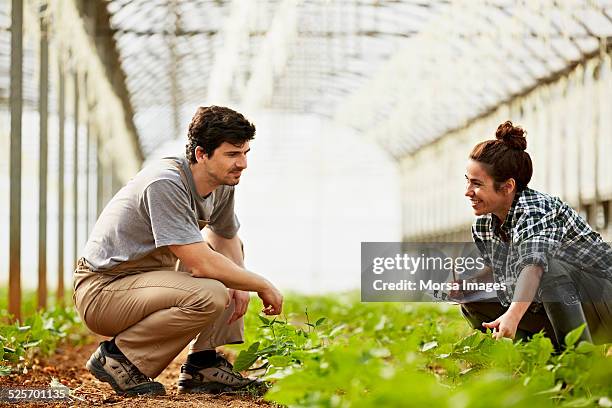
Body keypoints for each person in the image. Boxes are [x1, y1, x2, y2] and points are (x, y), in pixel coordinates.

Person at [73, 106, 283, 396]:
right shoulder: (166, 183)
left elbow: (225, 236)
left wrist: (242, 282)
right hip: (104, 291)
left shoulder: (221, 185)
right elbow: (200, 264)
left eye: (245, 153)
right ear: (201, 154)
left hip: (149, 282)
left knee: (228, 261)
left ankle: (204, 365)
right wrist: (260, 283)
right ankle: (119, 358)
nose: (243, 163)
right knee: (211, 290)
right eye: (232, 154)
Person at [461, 120, 612, 349]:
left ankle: (579, 365)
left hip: (603, 298)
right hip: (566, 304)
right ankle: (543, 358)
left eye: (477, 184)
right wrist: (468, 285)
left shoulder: (537, 209)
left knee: (547, 268)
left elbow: (534, 267)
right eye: (467, 182)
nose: (467, 192)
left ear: (507, 187)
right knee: (472, 300)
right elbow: (503, 270)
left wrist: (513, 314)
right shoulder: (483, 227)